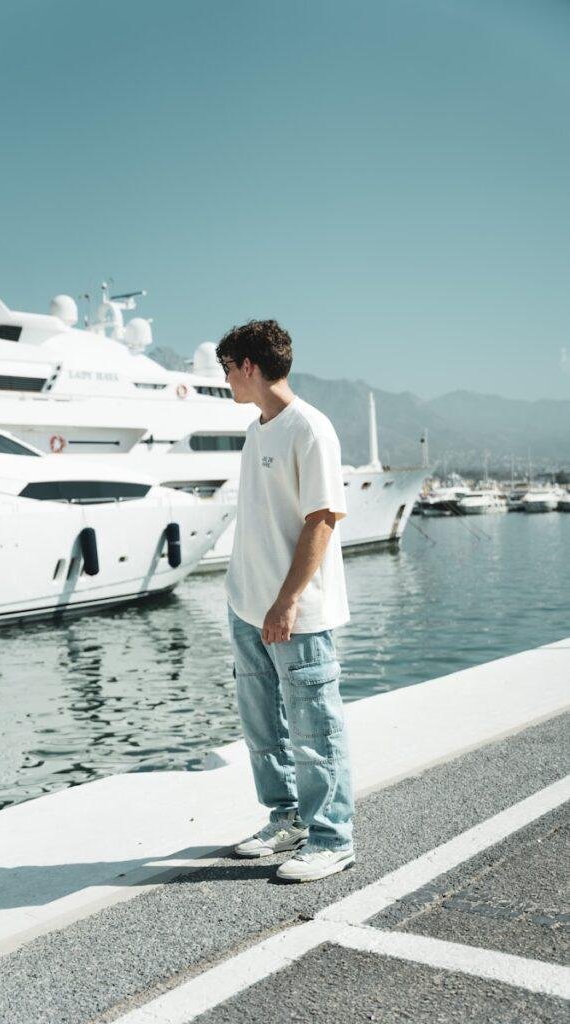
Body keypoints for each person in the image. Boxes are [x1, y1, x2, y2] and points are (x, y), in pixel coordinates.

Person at [216, 319, 354, 883]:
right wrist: (247, 597)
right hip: (248, 604)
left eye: (227, 369)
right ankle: (288, 816)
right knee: (263, 726)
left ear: (249, 366)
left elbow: (321, 519)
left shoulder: (309, 429)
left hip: (292, 610)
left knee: (314, 725)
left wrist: (287, 600)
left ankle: (332, 837)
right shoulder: (257, 432)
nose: (226, 380)